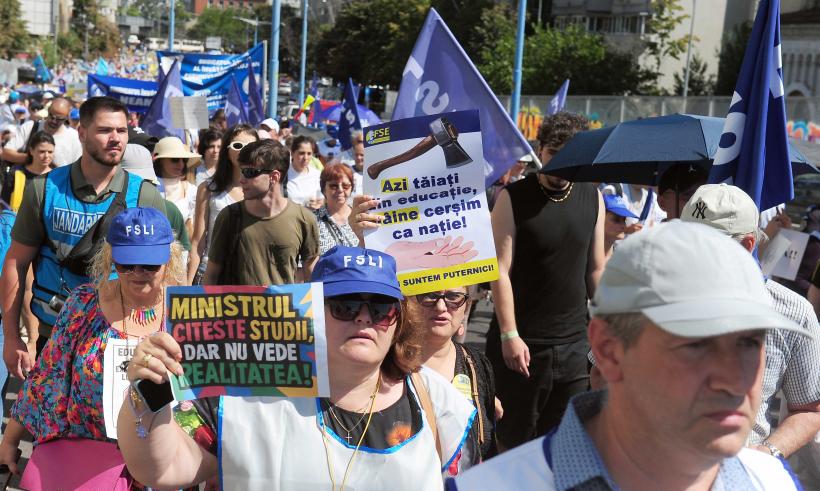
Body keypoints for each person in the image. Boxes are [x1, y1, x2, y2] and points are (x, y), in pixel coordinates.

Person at [448, 221, 806, 490]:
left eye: (749, 342)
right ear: (608, 350)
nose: (733, 378)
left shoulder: (770, 481)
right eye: (697, 343)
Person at [117, 246, 476, 490]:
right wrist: (148, 391)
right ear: (312, 311)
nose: (365, 318)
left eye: (383, 308)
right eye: (346, 305)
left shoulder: (435, 401)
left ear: (399, 320)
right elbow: (161, 468)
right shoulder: (246, 391)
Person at [0, 207, 185, 484]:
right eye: (126, 264)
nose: (138, 273)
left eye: (149, 265)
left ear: (169, 260)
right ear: (110, 258)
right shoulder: (83, 304)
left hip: (162, 464)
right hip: (86, 466)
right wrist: (10, 439)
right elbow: (48, 378)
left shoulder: (184, 313)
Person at [0, 97, 167, 379]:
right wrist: (12, 338)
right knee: (44, 423)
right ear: (82, 133)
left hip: (120, 343)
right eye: (105, 130)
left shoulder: (145, 195)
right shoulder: (44, 190)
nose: (115, 139)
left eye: (122, 131)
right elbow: (16, 262)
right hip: (52, 337)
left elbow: (166, 274)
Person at [488, 112, 605, 450]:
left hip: (574, 348)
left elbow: (595, 269)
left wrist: (607, 322)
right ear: (540, 150)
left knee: (564, 444)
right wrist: (510, 334)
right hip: (522, 348)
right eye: (554, 152)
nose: (562, 163)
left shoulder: (592, 197)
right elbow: (499, 270)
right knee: (513, 445)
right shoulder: (511, 198)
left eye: (570, 154)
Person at [680, 184, 820, 458]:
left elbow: (809, 409)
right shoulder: (646, 292)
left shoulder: (793, 312)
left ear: (746, 245)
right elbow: (603, 378)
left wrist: (764, 453)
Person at [204, 139, 320, 285]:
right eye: (242, 171)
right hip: (236, 307)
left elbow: (312, 277)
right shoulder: (230, 217)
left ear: (274, 177)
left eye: (249, 172)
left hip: (285, 307)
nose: (241, 179)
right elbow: (212, 274)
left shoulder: (304, 219)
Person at [407, 286, 498, 471]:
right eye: (429, 296)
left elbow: (487, 448)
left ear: (467, 306)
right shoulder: (388, 367)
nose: (441, 306)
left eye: (453, 297)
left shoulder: (476, 363)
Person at [187, 124, 257, 284]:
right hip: (212, 273)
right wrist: (188, 284)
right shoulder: (207, 188)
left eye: (251, 146)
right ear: (227, 149)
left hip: (251, 276)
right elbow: (198, 240)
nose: (244, 150)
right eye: (238, 145)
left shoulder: (265, 190)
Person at [2, 97, 82, 167]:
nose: (54, 121)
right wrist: (33, 159)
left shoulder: (74, 137)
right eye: (51, 116)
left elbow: (77, 167)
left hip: (59, 183)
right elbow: (6, 153)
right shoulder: (30, 127)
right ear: (48, 111)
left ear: (67, 117)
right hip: (28, 182)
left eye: (59, 119)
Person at [152, 136, 200, 238]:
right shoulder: (148, 187)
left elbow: (192, 229)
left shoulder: (191, 191)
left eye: (184, 160)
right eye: (175, 159)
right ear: (161, 161)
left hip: (181, 251)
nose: (181, 164)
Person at [313, 163, 359, 255]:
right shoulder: (311, 221)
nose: (340, 190)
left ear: (352, 188)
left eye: (345, 186)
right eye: (334, 186)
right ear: (323, 189)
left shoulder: (361, 217)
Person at [287, 135, 323, 209]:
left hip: (310, 218)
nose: (305, 158)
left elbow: (321, 202)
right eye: (301, 153)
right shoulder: (283, 174)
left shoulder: (317, 175)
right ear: (292, 153)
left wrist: (317, 205)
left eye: (309, 153)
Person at [602, 193, 638, 260]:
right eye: (616, 219)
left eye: (624, 219)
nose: (623, 225)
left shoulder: (623, 259)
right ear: (600, 218)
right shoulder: (584, 256)